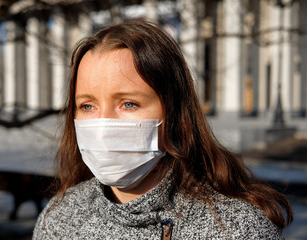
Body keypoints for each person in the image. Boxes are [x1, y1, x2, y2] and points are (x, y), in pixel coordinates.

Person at [33, 20, 293, 239]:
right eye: (87, 106)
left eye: (129, 103)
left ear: (174, 112)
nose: (102, 126)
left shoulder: (236, 230)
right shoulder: (58, 219)